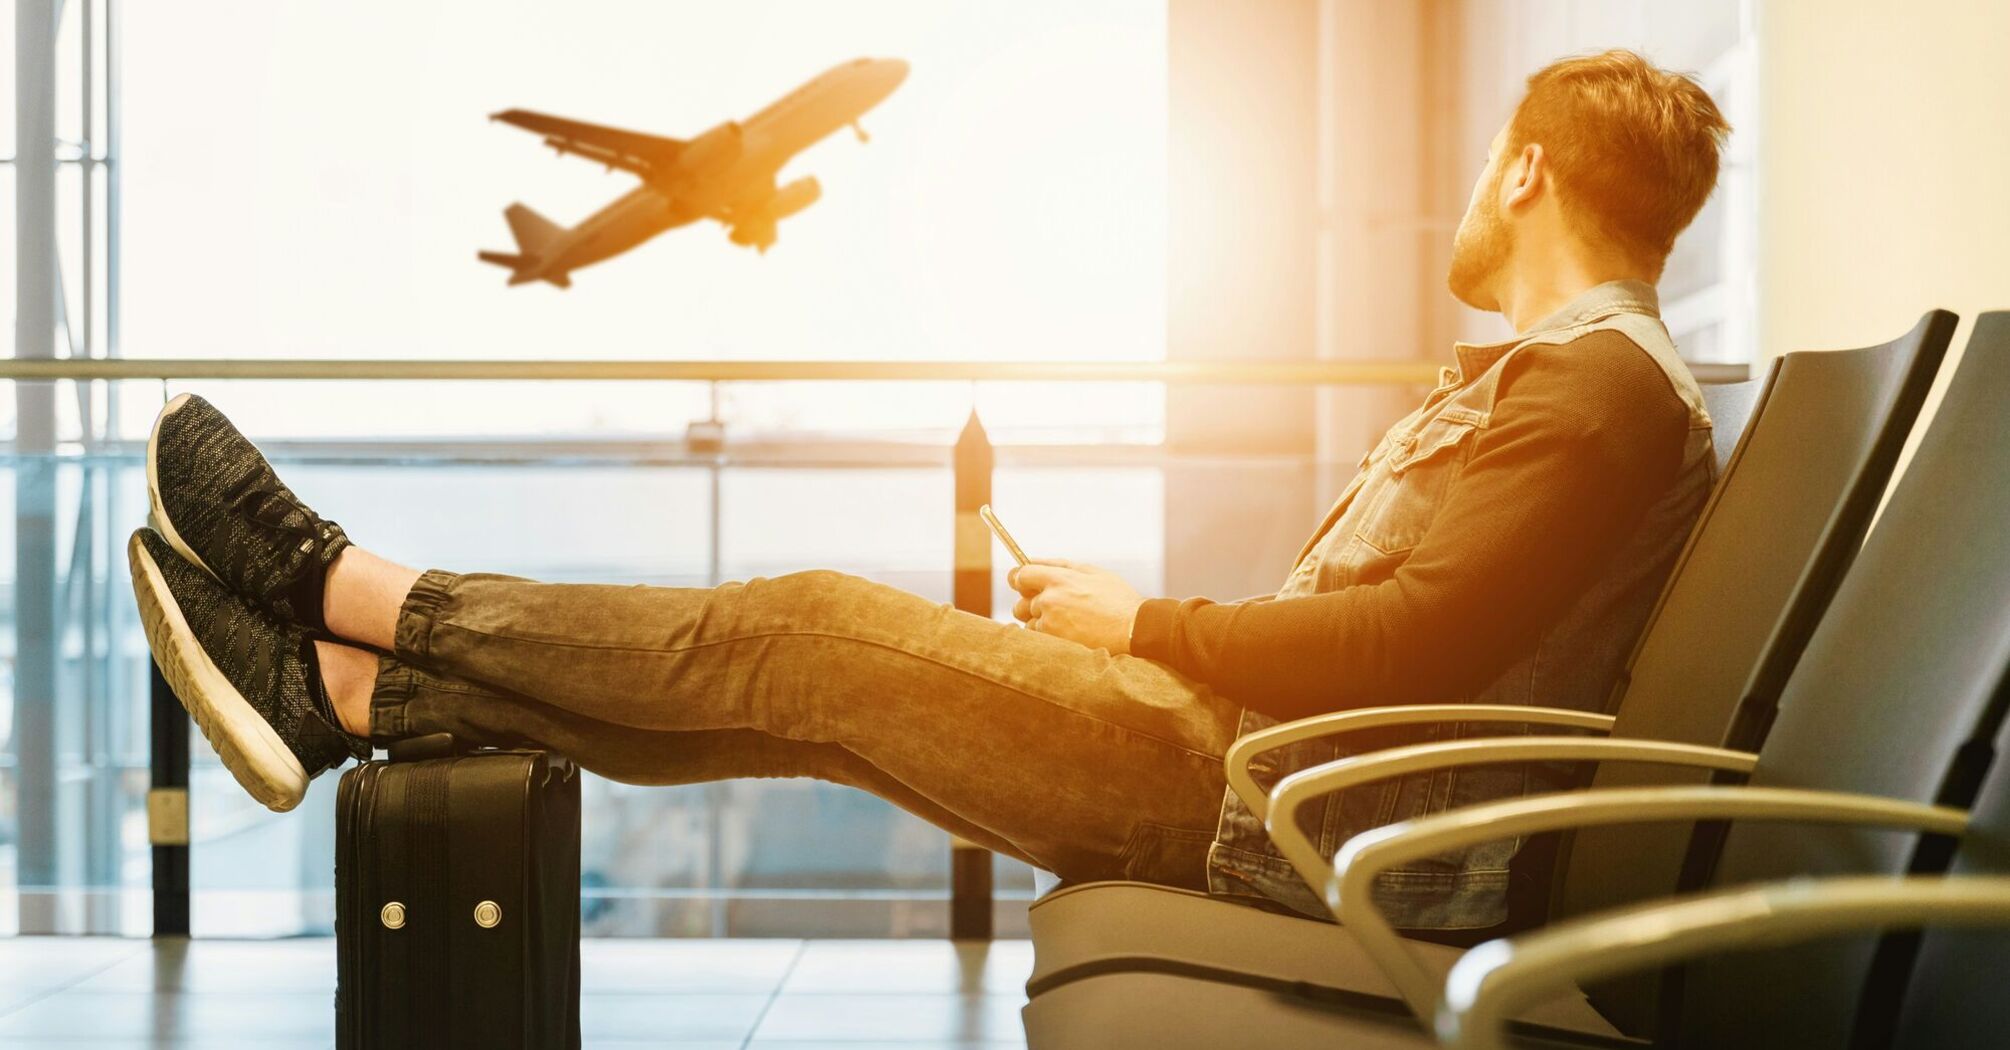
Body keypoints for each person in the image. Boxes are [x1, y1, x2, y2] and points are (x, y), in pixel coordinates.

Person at [128, 48, 1728, 935]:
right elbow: (1413, 635)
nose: (1471, 193)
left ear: (1525, 170)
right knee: (805, 705)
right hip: (1266, 780)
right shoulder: (1580, 385)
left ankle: (339, 585)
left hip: (1270, 809)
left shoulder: (1593, 390)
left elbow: (1410, 645)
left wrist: (1146, 624)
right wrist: (1147, 630)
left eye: (1486, 165)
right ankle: (351, 694)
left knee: (803, 631)